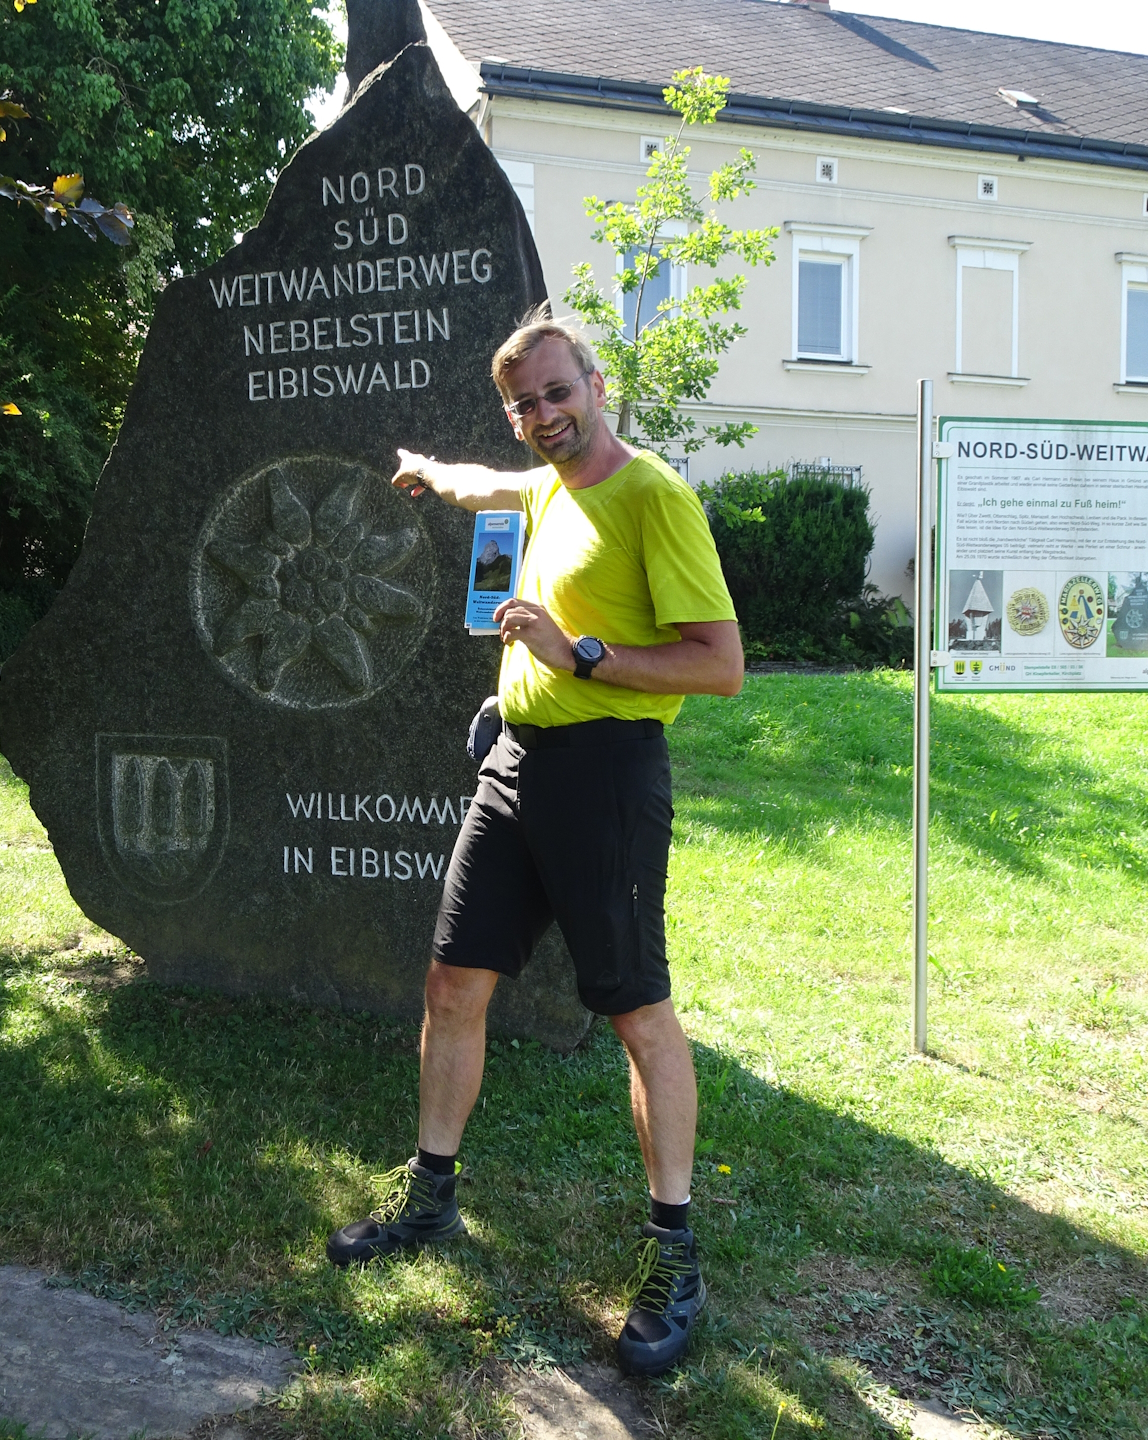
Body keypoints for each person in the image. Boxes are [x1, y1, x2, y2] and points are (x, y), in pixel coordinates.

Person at [324, 315, 743, 1379]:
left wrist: (583, 653)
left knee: (636, 1010)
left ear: (596, 384)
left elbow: (721, 665)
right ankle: (430, 1202)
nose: (543, 415)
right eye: (523, 404)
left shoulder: (652, 495)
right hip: (513, 766)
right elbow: (485, 481)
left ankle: (675, 1251)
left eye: (557, 393)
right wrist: (427, 471)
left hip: (607, 774)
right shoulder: (545, 482)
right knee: (453, 982)